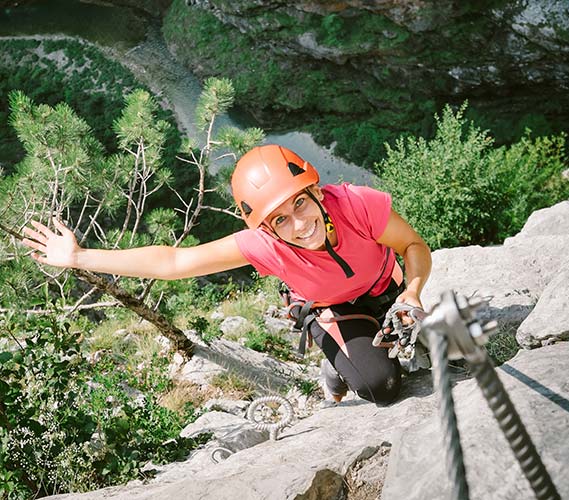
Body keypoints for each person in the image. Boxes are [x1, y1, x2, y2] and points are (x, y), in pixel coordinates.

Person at [22, 144, 432, 405]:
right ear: (266, 229)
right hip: (334, 309)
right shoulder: (262, 246)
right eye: (280, 219)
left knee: (434, 349)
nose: (299, 225)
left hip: (387, 292)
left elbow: (413, 246)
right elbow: (175, 263)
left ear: (317, 193)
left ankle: (360, 342)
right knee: (380, 387)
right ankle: (333, 354)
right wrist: (80, 257)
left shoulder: (358, 205)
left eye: (301, 205)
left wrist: (411, 293)